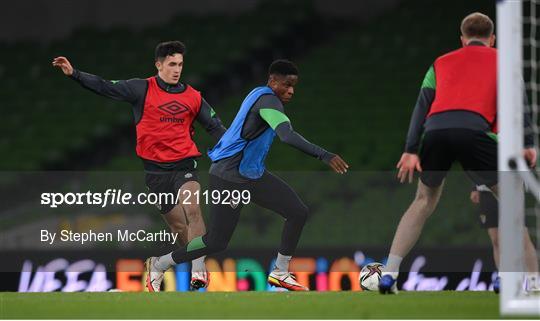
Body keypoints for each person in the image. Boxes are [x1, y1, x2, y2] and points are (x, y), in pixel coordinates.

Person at [145, 59, 349, 291]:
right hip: (229, 176)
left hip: (252, 175)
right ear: (273, 81)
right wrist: (324, 155)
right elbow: (286, 135)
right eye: (287, 84)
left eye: (294, 86)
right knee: (216, 242)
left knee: (297, 212)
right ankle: (160, 264)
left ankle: (280, 272)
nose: (291, 90)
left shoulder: (259, 94)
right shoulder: (268, 101)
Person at [378, 12, 537, 294]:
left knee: (423, 201)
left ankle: (389, 274)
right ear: (493, 38)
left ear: (463, 40)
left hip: (435, 130)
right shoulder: (504, 60)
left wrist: (411, 149)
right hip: (476, 131)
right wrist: (528, 143)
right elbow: (519, 101)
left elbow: (421, 106)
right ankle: (524, 279)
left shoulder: (439, 63)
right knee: (511, 204)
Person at [52, 41, 227, 291]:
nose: (177, 69)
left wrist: (234, 150)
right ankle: (159, 263)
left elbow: (216, 127)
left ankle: (198, 268)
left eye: (180, 64)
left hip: (184, 163)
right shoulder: (140, 88)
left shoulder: (193, 97)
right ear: (159, 65)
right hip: (155, 171)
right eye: (171, 64)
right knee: (179, 227)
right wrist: (75, 74)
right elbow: (105, 86)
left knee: (193, 210)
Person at [470, 187, 539, 293]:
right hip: (486, 190)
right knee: (496, 239)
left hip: (508, 187)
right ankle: (504, 279)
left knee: (521, 238)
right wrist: (474, 187)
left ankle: (534, 281)